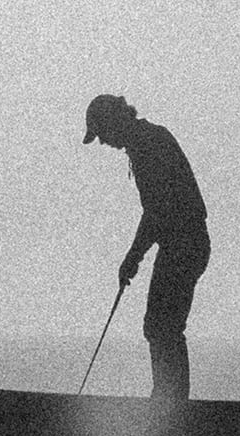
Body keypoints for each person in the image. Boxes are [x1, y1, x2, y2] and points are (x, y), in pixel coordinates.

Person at [82, 94, 209, 400]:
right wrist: (134, 257)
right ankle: (169, 398)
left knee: (161, 326)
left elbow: (156, 212)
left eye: (102, 133)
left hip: (183, 244)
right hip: (185, 243)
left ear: (113, 123)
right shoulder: (147, 139)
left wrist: (132, 258)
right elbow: (156, 212)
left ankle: (170, 401)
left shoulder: (146, 145)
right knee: (163, 326)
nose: (103, 142)